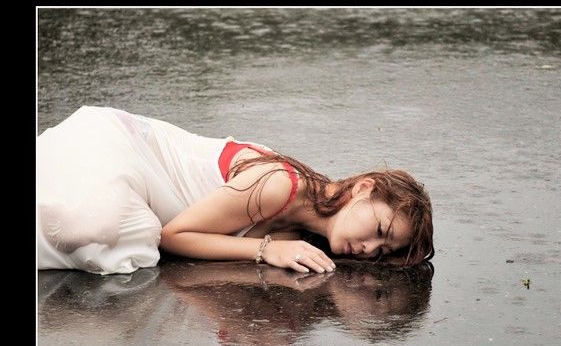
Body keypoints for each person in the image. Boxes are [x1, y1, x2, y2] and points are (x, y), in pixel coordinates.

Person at [37, 106, 434, 275]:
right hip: (120, 146)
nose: (368, 249)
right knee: (106, 232)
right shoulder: (281, 186)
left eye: (382, 251)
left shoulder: (302, 229)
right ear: (364, 187)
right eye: (379, 230)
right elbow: (174, 236)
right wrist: (266, 250)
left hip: (134, 174)